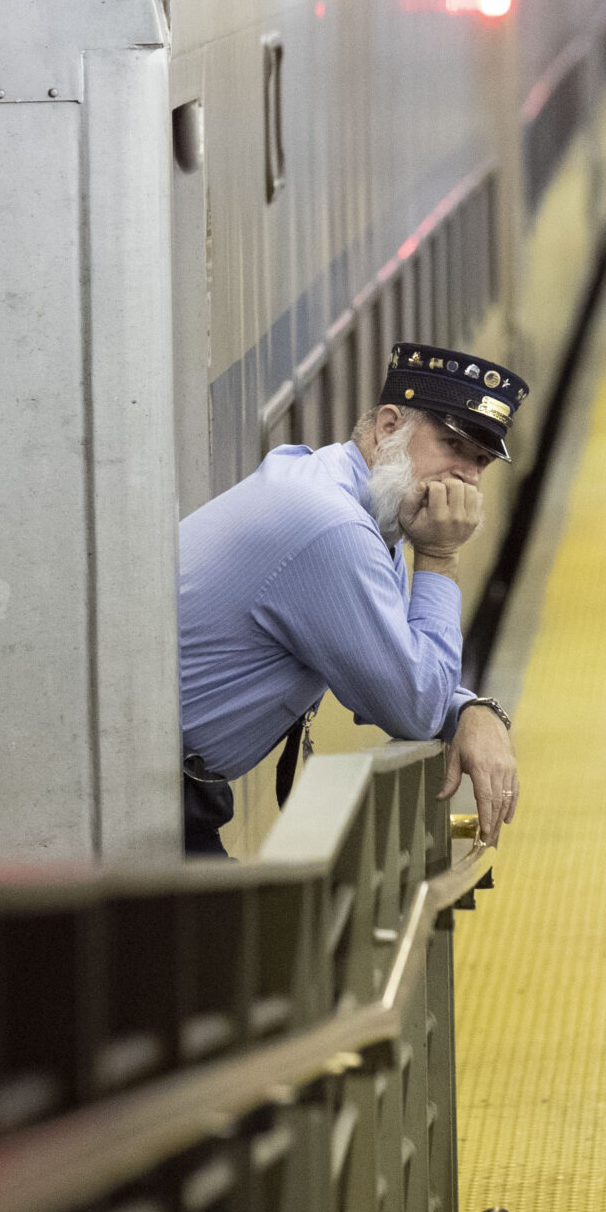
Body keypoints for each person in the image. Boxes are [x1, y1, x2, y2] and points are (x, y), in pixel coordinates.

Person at [178, 341, 525, 857]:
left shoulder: (351, 504)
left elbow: (387, 662)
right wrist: (441, 556)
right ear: (389, 426)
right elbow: (412, 705)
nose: (467, 477)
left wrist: (475, 710)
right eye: (453, 446)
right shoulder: (332, 527)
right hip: (134, 796)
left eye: (480, 462)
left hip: (170, 788)